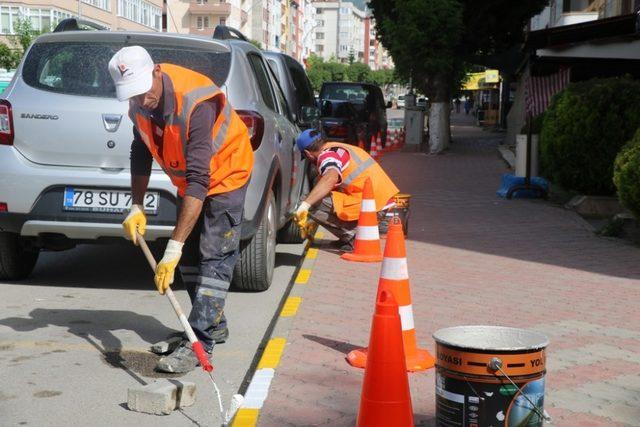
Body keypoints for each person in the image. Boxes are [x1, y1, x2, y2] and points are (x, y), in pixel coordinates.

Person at [108, 46, 254, 373]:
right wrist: (136, 206)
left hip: (226, 173)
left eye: (142, 92)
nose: (139, 101)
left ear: (157, 72)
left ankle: (200, 341)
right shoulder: (139, 105)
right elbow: (140, 151)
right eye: (130, 96)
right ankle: (209, 324)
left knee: (214, 256)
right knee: (188, 258)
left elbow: (200, 178)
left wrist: (172, 247)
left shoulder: (196, 102)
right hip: (192, 182)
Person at [293, 129, 399, 250]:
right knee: (319, 186)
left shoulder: (328, 156)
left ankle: (353, 235)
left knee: (309, 201)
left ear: (307, 154)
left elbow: (330, 177)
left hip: (373, 206)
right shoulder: (337, 147)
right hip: (381, 200)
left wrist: (305, 205)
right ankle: (352, 233)